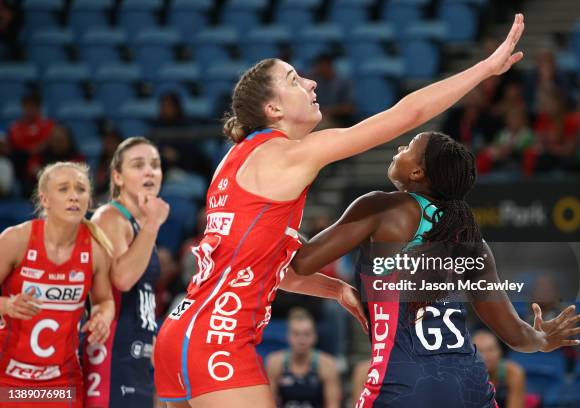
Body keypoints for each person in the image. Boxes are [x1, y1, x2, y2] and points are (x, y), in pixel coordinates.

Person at [154, 14, 527, 408]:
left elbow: (267, 268)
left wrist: (335, 289)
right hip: (219, 344)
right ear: (272, 109)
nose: (311, 83)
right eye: (294, 80)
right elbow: (406, 117)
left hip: (182, 331)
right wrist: (486, 69)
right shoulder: (288, 155)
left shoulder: (233, 162)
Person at [291, 131, 580, 407]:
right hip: (470, 386)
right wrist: (544, 339)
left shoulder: (380, 208)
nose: (399, 149)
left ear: (417, 173)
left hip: (402, 383)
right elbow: (516, 335)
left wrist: (268, 218)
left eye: (408, 148)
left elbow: (302, 263)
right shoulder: (469, 236)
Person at [0, 162, 115, 407]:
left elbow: (105, 300)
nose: (74, 196)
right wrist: (6, 305)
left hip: (61, 382)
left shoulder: (95, 249)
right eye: (63, 189)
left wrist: (102, 317)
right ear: (45, 199)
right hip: (7, 379)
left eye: (81, 189)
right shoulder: (15, 239)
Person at [82, 137, 169, 407]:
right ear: (117, 177)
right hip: (110, 354)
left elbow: (142, 298)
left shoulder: (140, 226)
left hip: (137, 355)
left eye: (155, 165)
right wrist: (153, 223)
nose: (149, 172)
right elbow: (122, 279)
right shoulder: (109, 217)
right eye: (138, 165)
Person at [266, 308, 341, 408]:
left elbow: (333, 405)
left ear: (315, 336)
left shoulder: (327, 364)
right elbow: (268, 403)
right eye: (296, 334)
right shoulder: (275, 362)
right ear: (288, 336)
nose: (301, 340)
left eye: (306, 334)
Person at [472, 330, 526, 408]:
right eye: (480, 351)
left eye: (490, 350)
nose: (486, 356)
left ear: (500, 351)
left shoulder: (513, 373)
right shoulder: (463, 376)